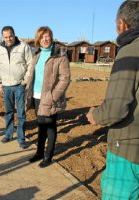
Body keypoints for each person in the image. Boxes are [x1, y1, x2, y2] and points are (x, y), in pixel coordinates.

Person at [86, 1, 139, 199]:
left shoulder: (130, 52)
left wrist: (95, 115)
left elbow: (116, 108)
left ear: (122, 24)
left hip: (128, 150)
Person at [25, 26, 70, 168]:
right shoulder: (37, 54)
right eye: (42, 36)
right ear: (38, 39)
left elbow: (65, 78)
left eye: (47, 36)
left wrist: (53, 96)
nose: (45, 39)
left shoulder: (59, 54)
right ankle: (39, 152)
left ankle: (48, 156)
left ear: (51, 37)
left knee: (50, 127)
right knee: (41, 125)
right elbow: (33, 74)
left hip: (50, 97)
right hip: (37, 96)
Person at [0, 26, 33, 149]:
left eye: (10, 36)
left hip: (19, 85)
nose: (8, 39)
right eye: (5, 37)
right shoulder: (0, 49)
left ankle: (21, 138)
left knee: (21, 113)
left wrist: (25, 80)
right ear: (2, 37)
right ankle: (9, 134)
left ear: (14, 34)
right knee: (9, 112)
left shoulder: (23, 46)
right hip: (6, 86)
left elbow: (30, 64)